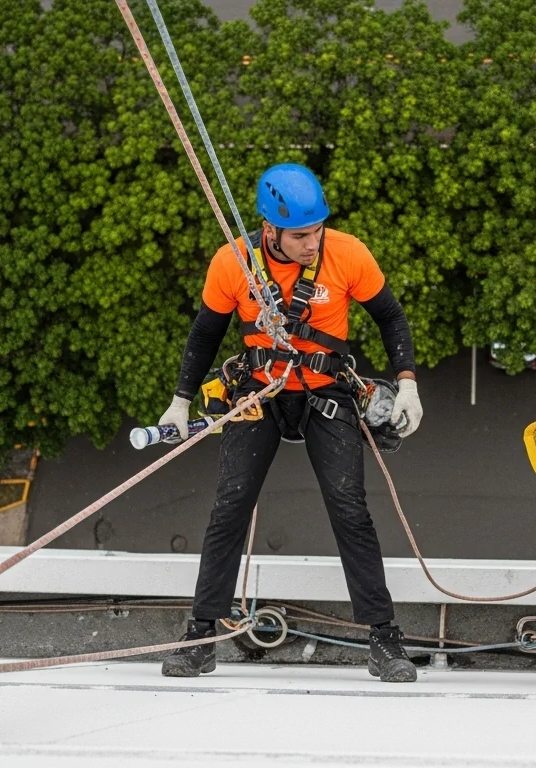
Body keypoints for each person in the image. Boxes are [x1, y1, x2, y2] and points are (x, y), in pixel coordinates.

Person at [156, 164, 423, 683]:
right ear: (269, 229)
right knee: (230, 505)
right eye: (300, 236)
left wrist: (407, 382)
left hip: (325, 392)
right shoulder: (233, 263)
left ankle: (385, 640)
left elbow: (390, 316)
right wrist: (180, 400)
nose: (312, 243)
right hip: (261, 389)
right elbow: (206, 331)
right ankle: (201, 635)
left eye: (317, 231)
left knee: (350, 509)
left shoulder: (347, 253)